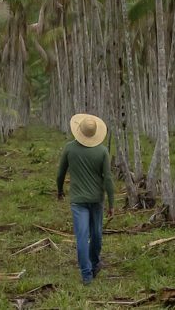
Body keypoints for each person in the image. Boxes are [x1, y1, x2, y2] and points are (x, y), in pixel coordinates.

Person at [56, 113, 115, 285]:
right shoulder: (103, 151)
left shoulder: (69, 148)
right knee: (96, 234)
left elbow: (60, 174)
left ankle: (86, 275)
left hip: (78, 201)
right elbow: (108, 179)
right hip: (97, 200)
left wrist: (60, 191)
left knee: (82, 236)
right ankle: (95, 263)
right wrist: (111, 203)